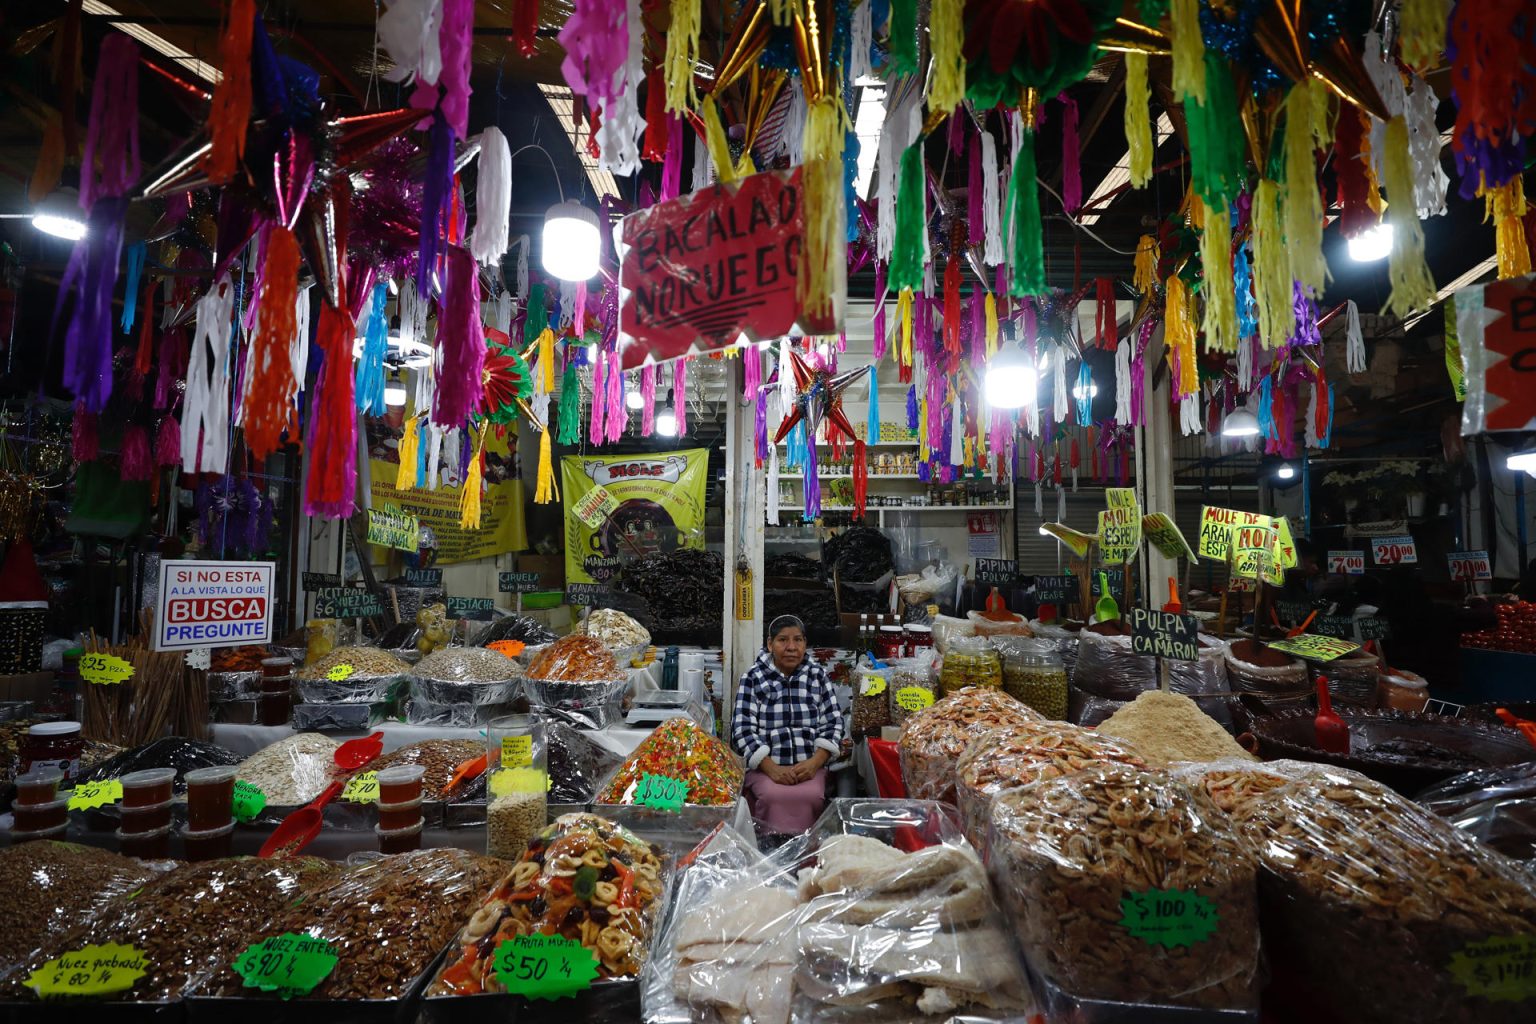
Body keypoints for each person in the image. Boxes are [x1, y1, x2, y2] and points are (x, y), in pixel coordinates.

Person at [731, 614, 846, 835]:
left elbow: (833, 722)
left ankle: (806, 855)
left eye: (798, 640)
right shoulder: (753, 678)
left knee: (811, 795)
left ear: (805, 643)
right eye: (783, 640)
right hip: (766, 769)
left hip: (809, 768)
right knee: (773, 796)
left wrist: (814, 763)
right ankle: (766, 850)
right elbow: (742, 729)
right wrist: (770, 768)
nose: (791, 647)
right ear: (769, 644)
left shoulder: (817, 676)